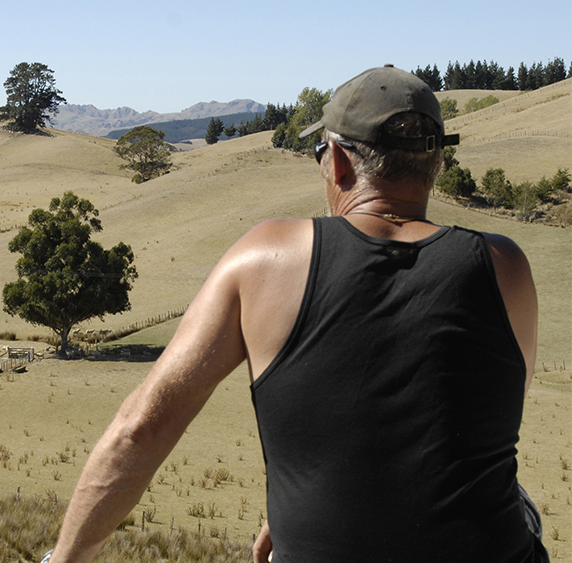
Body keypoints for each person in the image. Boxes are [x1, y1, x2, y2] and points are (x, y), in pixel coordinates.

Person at [43, 65, 549, 562]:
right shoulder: (505, 268)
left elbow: (143, 428)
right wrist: (300, 506)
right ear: (435, 163)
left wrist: (63, 559)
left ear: (338, 160)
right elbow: (465, 421)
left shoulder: (266, 257)